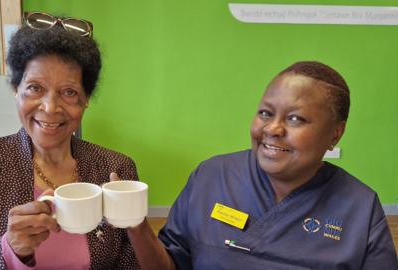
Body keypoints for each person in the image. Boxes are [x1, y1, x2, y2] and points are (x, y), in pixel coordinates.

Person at [128, 61, 398, 269]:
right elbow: (173, 263)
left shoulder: (360, 208)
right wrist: (137, 227)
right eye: (266, 113)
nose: (273, 128)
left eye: (295, 119)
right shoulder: (211, 177)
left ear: (335, 134)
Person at [0, 12, 140, 269]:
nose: (50, 107)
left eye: (69, 92)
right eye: (35, 88)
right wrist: (8, 249)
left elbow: (130, 264)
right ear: (16, 89)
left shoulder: (114, 168)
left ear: (85, 100)